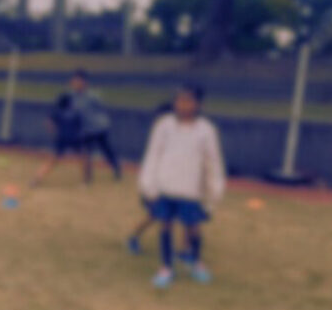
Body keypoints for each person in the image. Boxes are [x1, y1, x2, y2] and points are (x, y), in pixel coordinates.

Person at [138, 84, 226, 288]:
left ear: (198, 104)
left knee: (193, 228)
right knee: (165, 225)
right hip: (166, 187)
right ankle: (166, 266)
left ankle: (195, 262)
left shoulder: (207, 130)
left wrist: (213, 193)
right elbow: (153, 155)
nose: (183, 105)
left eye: (188, 100)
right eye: (179, 100)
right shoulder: (163, 125)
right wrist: (148, 184)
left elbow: (213, 163)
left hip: (191, 190)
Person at [126, 101, 174, 255]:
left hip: (173, 183)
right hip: (157, 185)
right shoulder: (159, 138)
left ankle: (187, 250)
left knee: (187, 217)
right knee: (156, 215)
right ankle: (133, 236)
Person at [69, 69, 122, 182]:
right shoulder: (72, 97)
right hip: (86, 130)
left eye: (79, 81)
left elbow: (102, 109)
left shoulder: (92, 96)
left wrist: (104, 122)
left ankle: (116, 169)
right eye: (74, 81)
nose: (76, 84)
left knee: (106, 150)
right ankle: (87, 178)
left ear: (84, 82)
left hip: (98, 128)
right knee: (86, 153)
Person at [30, 93, 83, 187]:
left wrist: (54, 132)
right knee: (82, 158)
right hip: (74, 138)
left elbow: (48, 123)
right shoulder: (75, 112)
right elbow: (79, 126)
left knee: (52, 160)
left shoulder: (58, 111)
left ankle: (37, 179)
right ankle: (85, 181)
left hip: (61, 138)